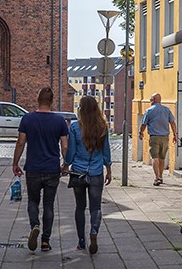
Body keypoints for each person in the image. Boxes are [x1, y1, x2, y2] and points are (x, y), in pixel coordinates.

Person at [12, 86, 69, 252]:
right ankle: (45, 241)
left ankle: (34, 225)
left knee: (33, 201)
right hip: (52, 169)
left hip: (33, 168)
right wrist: (66, 164)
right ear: (52, 101)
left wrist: (15, 163)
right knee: (49, 205)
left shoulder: (27, 119)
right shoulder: (59, 121)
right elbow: (64, 146)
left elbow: (21, 142)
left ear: (38, 99)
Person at [64, 96, 111, 254]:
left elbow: (71, 152)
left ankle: (81, 241)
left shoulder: (76, 127)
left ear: (81, 109)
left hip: (78, 172)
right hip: (96, 172)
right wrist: (109, 169)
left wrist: (65, 165)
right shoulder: (102, 126)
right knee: (95, 207)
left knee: (80, 207)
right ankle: (94, 231)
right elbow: (106, 152)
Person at [138, 92, 177, 186]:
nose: (150, 101)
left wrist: (141, 132)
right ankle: (161, 176)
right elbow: (172, 123)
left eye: (151, 99)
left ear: (154, 100)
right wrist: (175, 135)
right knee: (162, 158)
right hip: (165, 138)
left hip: (154, 137)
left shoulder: (149, 110)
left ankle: (157, 177)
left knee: (155, 157)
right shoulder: (166, 110)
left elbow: (144, 124)